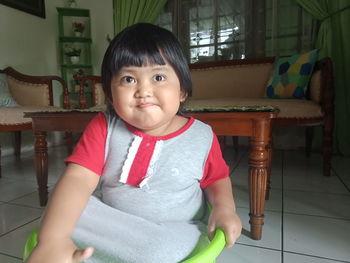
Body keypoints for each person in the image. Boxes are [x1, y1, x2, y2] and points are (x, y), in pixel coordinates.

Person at [26, 23, 242, 263]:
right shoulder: (104, 127)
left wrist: (225, 209)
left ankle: (96, 255)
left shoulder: (202, 135)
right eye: (128, 79)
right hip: (116, 223)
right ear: (110, 93)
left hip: (173, 230)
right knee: (64, 208)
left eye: (158, 77)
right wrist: (54, 239)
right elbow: (78, 179)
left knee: (163, 250)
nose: (143, 90)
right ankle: (70, 249)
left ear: (182, 91)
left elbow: (217, 180)